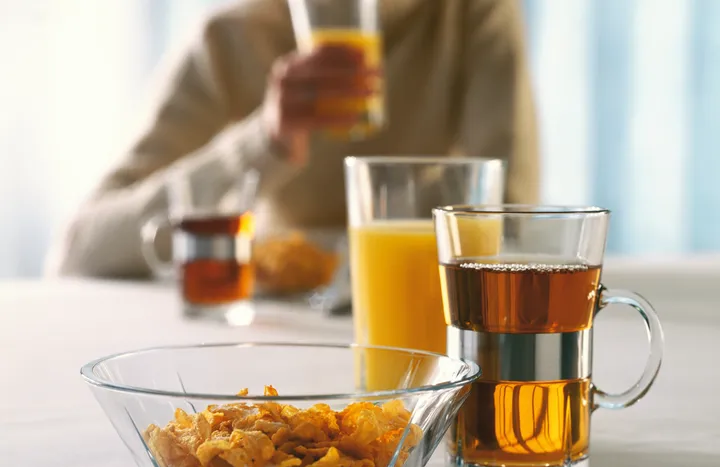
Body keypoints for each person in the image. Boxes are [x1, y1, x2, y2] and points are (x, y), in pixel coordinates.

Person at [46, 0, 539, 278]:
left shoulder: (471, 16)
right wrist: (265, 141)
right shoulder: (230, 38)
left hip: (419, 325)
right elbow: (80, 250)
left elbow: (508, 226)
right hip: (271, 337)